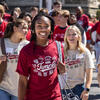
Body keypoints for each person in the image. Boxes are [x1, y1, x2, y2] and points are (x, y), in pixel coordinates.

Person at [16, 12, 65, 100]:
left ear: (51, 29)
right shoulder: (26, 51)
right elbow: (22, 80)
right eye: (39, 26)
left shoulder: (58, 46)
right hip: (33, 97)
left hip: (55, 96)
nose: (43, 29)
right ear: (33, 29)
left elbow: (62, 72)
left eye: (46, 26)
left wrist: (63, 69)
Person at [63, 25, 94, 100]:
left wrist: (87, 90)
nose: (71, 37)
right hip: (63, 88)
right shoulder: (61, 51)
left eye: (74, 34)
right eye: (69, 34)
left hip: (79, 88)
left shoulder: (84, 51)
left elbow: (89, 72)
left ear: (79, 36)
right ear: (66, 37)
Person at [0, 19, 28, 100]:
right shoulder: (2, 43)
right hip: (3, 87)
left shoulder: (27, 45)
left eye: (27, 28)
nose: (26, 31)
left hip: (20, 89)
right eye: (23, 28)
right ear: (15, 28)